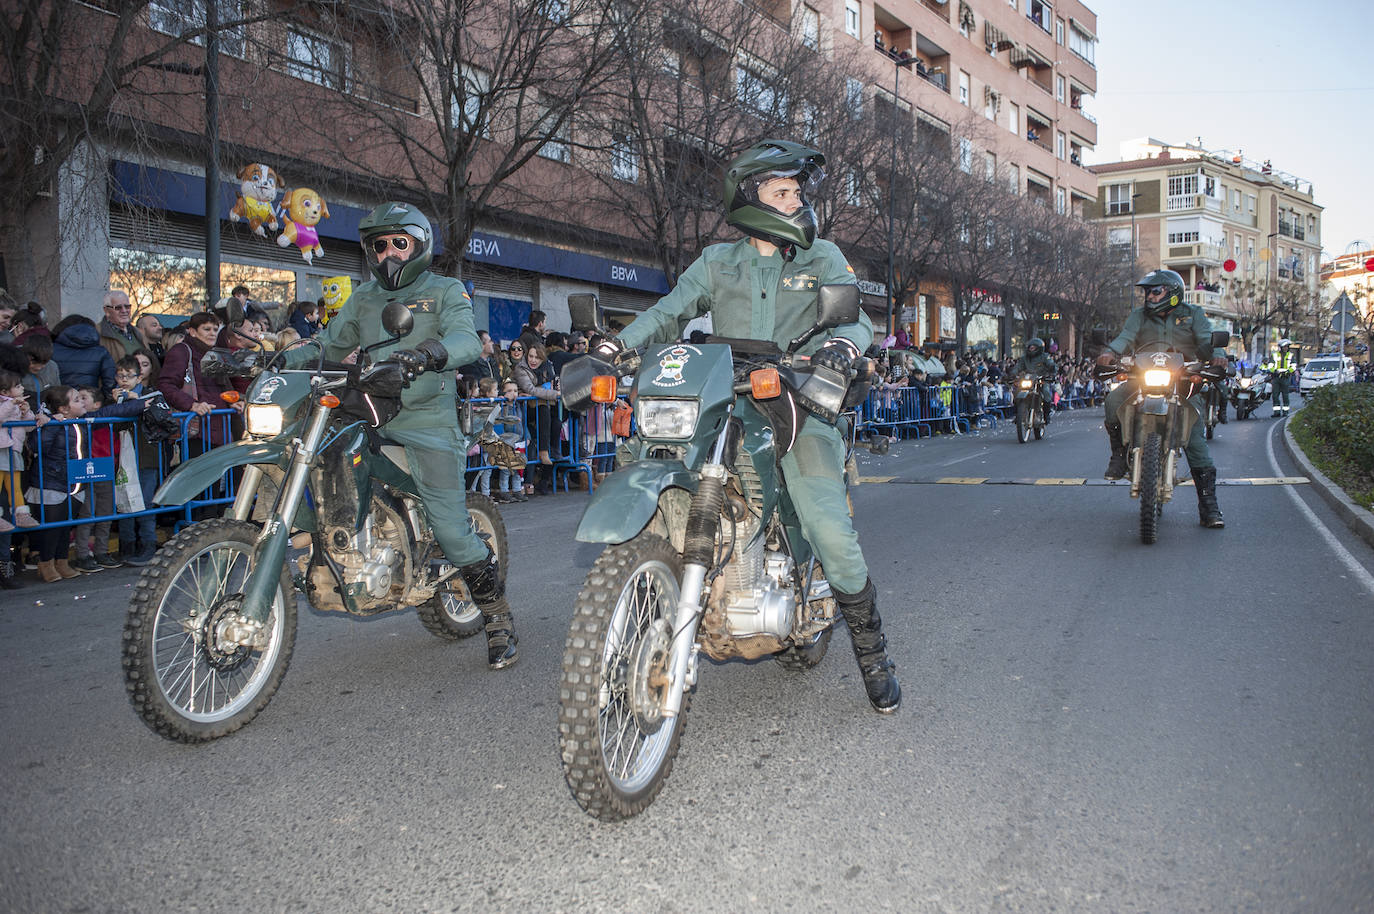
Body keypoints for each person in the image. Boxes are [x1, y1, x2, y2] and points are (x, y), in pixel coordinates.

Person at [595, 139, 899, 713]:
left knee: (829, 528)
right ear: (749, 197)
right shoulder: (717, 262)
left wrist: (838, 347)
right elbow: (671, 311)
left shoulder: (822, 257)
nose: (795, 201)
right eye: (781, 192)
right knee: (649, 457)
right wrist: (615, 345)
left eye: (797, 192)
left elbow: (855, 319)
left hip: (798, 400)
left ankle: (873, 653)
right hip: (724, 394)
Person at [284, 201, 519, 669]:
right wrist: (278, 356)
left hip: (427, 421)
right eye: (379, 245)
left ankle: (497, 617)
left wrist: (426, 354)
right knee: (316, 463)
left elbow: (467, 340)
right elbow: (330, 344)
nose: (388, 253)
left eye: (399, 243)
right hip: (369, 413)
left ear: (418, 245)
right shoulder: (364, 297)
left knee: (453, 533)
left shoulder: (444, 289)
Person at [1095, 268, 1227, 528]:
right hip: (1142, 378)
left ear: (1173, 293)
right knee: (1112, 403)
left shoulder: (1193, 314)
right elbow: (1125, 338)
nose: (1150, 297)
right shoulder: (1138, 316)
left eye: (1156, 291)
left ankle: (1209, 507)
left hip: (1184, 381)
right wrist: (1109, 353)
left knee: (1196, 436)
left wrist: (1217, 354)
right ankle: (1119, 454)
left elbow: (1205, 340)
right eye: (1147, 292)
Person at [51, 315, 116, 397]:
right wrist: (100, 400)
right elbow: (110, 382)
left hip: (59, 402)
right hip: (88, 402)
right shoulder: (101, 352)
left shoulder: (51, 349)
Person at [1012, 337, 1057, 425]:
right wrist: (1013, 373)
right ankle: (1018, 414)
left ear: (1038, 348)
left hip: (1041, 378)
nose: (1031, 349)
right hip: (1028, 379)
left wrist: (1052, 369)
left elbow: (1051, 364)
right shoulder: (1024, 358)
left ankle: (1046, 414)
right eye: (1030, 347)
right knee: (1017, 392)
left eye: (1033, 348)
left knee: (1046, 392)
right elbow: (1018, 366)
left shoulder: (1045, 356)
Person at [97, 290, 148, 366]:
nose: (124, 311)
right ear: (106, 310)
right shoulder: (97, 333)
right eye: (118, 308)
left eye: (127, 307)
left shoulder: (139, 333)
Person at [1264, 339, 1297, 417]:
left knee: (1285, 395)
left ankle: (1285, 412)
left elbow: (1294, 366)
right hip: (1276, 377)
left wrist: (1288, 371)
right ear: (1280, 347)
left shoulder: (1291, 355)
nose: (1285, 348)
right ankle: (1277, 412)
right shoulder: (1274, 355)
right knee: (1275, 395)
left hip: (1285, 377)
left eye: (1287, 347)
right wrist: (1274, 371)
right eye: (1284, 347)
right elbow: (1270, 366)